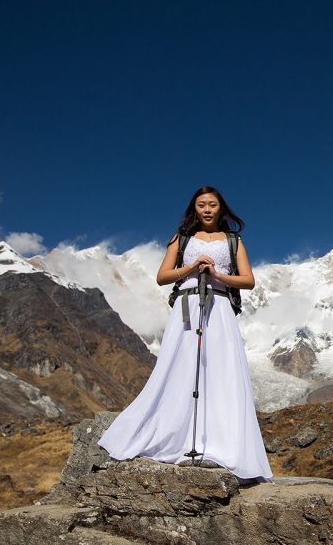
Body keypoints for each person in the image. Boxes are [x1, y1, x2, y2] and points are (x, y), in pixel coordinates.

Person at [97, 185, 275, 484]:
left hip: (218, 306)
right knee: (179, 366)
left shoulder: (233, 241)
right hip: (187, 305)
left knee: (220, 370)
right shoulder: (181, 239)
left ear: (221, 209)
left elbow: (248, 281)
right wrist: (192, 266)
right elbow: (162, 276)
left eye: (213, 205)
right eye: (202, 204)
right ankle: (176, 436)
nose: (207, 209)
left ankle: (221, 445)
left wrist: (217, 274)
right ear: (194, 208)